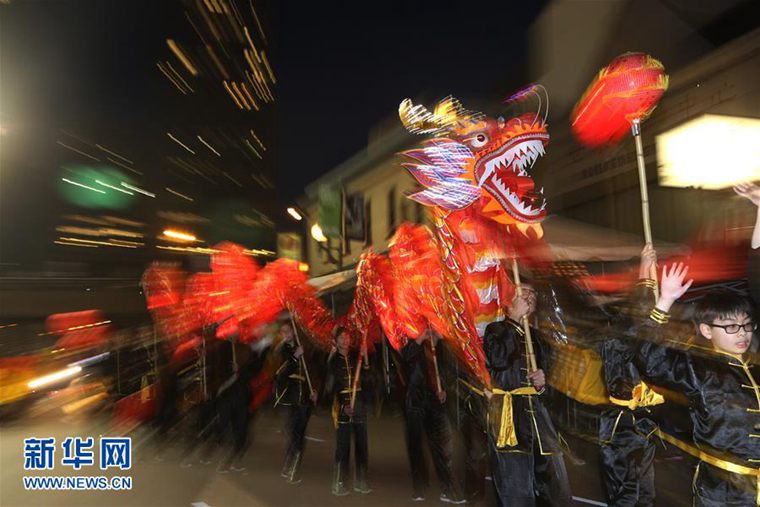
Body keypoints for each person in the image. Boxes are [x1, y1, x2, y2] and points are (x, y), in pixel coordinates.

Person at [634, 262, 760, 506]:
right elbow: (648, 359)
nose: (742, 333)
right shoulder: (697, 368)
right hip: (722, 491)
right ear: (707, 330)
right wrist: (665, 300)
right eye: (731, 326)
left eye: (746, 325)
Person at [483, 283, 572, 507]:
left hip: (539, 418)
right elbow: (499, 360)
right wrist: (513, 320)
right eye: (522, 291)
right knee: (515, 486)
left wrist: (544, 382)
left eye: (533, 292)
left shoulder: (540, 338)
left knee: (555, 485)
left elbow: (553, 383)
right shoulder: (495, 331)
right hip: (509, 417)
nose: (529, 296)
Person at [597, 244, 664, 506]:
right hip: (621, 424)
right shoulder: (616, 322)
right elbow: (637, 324)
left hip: (644, 419)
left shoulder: (634, 320)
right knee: (625, 492)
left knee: (645, 489)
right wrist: (645, 276)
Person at [400, 328, 465, 503]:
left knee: (440, 447)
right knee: (416, 447)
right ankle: (418, 487)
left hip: (435, 403)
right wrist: (421, 338)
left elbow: (449, 374)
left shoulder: (443, 350)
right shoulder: (414, 345)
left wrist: (444, 390)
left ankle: (448, 488)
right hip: (415, 402)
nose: (432, 332)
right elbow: (405, 357)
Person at [326, 326, 371, 496]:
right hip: (342, 406)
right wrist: (343, 405)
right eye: (341, 337)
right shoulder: (333, 361)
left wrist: (365, 357)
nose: (345, 340)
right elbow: (330, 389)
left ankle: (361, 480)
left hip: (358, 404)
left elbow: (367, 380)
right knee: (343, 446)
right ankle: (339, 481)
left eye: (347, 337)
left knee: (362, 444)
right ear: (336, 341)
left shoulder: (356, 357)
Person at [274, 319, 317, 484]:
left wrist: (315, 390)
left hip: (304, 397)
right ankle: (290, 460)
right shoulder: (280, 351)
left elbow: (313, 372)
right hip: (287, 397)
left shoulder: (305, 348)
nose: (286, 334)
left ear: (294, 331)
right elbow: (279, 374)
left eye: (289, 330)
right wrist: (294, 357)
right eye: (283, 332)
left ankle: (295, 463)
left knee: (299, 432)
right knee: (290, 431)